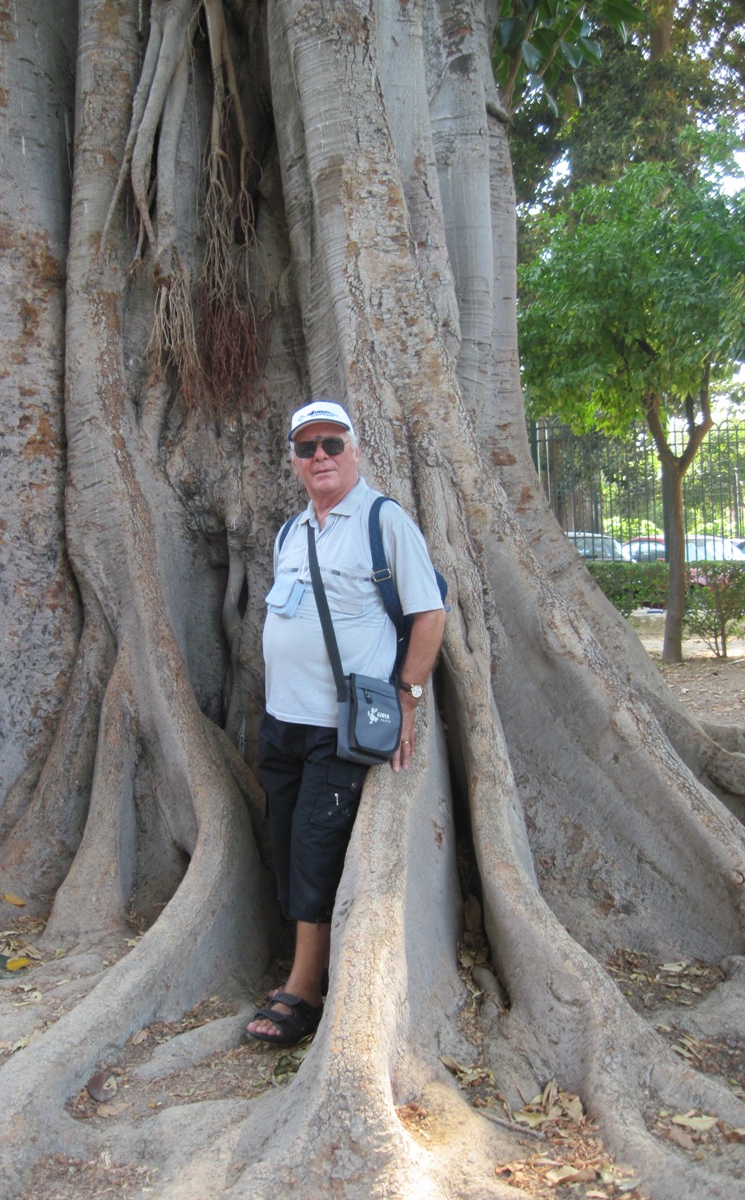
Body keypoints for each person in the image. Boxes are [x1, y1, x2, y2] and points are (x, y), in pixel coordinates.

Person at [246, 400, 446, 1045]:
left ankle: (303, 991)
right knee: (283, 838)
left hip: (342, 727)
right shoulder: (291, 531)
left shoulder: (384, 521)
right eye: (306, 447)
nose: (320, 456)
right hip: (282, 722)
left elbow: (429, 614)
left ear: (354, 451)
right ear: (295, 461)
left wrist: (408, 697)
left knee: (314, 849)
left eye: (331, 443)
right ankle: (300, 960)